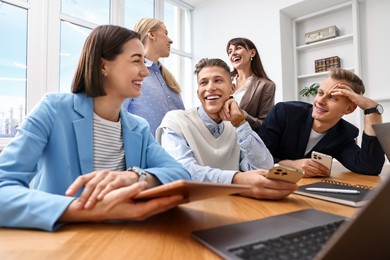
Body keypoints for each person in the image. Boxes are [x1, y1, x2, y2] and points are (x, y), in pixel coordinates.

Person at [0, 25, 191, 231]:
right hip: (63, 241)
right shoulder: (53, 109)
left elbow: (181, 175)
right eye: (136, 60)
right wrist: (84, 210)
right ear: (103, 66)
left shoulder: (139, 127)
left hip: (125, 238)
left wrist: (134, 176)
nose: (145, 72)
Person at [156, 58, 297, 200]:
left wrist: (240, 122)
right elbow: (182, 171)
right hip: (192, 209)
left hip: (235, 207)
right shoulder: (175, 120)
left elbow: (265, 167)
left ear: (232, 88)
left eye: (218, 80)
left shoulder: (236, 126)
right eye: (203, 82)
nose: (210, 87)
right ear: (198, 91)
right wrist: (236, 179)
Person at [258, 68, 385, 177]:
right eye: (320, 93)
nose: (320, 101)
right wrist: (290, 165)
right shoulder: (284, 112)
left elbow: (369, 167)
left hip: (303, 193)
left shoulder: (344, 134)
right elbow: (255, 157)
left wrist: (372, 109)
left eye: (332, 98)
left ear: (349, 109)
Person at [123, 18, 185, 136]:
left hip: (176, 152)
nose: (170, 40)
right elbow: (117, 119)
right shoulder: (130, 74)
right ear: (151, 34)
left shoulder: (168, 79)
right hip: (143, 152)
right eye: (166, 34)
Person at [226, 37, 275, 131]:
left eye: (238, 48)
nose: (233, 53)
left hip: (242, 140)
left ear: (252, 53)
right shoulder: (225, 81)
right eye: (230, 51)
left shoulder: (266, 85)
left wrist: (240, 115)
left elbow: (264, 125)